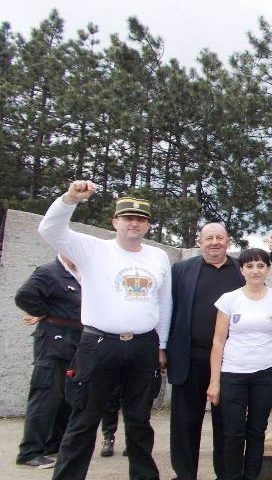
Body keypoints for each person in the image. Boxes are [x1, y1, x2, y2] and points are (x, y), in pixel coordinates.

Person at [38, 182, 171, 480]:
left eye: (141, 219)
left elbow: (165, 303)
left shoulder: (158, 257)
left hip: (142, 346)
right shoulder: (91, 247)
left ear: (148, 225)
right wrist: (70, 198)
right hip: (99, 344)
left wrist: (161, 346)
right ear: (115, 222)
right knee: (84, 419)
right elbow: (50, 230)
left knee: (139, 420)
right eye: (128, 218)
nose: (134, 223)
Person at [168, 222, 245, 479]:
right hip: (189, 358)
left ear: (228, 241)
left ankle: (225, 474)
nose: (214, 242)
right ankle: (185, 474)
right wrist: (163, 349)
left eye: (220, 238)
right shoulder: (180, 271)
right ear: (199, 241)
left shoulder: (241, 271)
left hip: (229, 362)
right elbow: (168, 311)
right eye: (209, 237)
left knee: (226, 425)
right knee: (185, 425)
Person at [206, 248, 272, 480]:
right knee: (232, 432)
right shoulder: (229, 300)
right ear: (241, 270)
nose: (255, 271)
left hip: (265, 374)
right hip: (233, 374)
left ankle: (252, 475)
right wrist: (214, 382)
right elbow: (218, 342)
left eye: (261, 266)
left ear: (268, 269)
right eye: (249, 266)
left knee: (256, 431)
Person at [14, 255, 82, 469]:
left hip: (75, 340)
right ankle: (30, 451)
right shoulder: (49, 271)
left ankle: (53, 444)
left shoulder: (79, 275)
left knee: (65, 396)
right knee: (45, 394)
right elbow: (24, 296)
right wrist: (45, 313)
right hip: (53, 339)